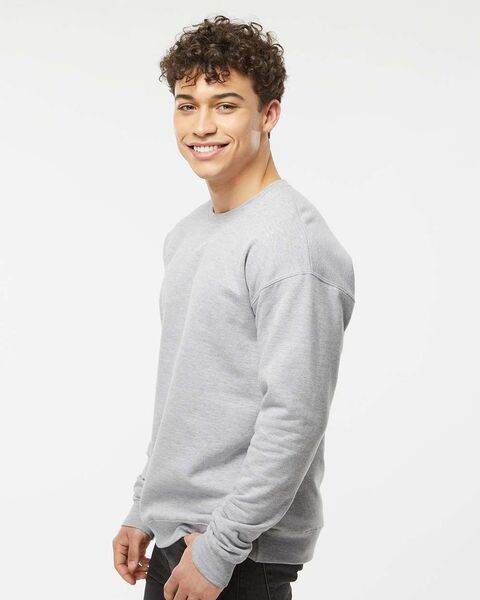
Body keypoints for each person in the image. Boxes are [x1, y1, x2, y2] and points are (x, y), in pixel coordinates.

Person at [112, 14, 355, 600]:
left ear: (268, 115)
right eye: (186, 105)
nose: (201, 126)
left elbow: (294, 416)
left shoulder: (292, 244)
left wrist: (221, 550)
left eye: (225, 105)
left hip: (239, 554)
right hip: (178, 536)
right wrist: (145, 506)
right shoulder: (188, 234)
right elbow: (189, 389)